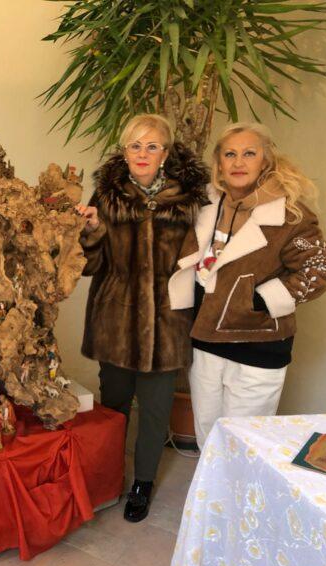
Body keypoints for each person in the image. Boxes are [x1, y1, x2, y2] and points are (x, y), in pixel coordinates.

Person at [77, 114, 208, 522]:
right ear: (124, 150)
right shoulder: (106, 196)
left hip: (168, 322)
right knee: (114, 406)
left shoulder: (191, 200)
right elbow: (89, 265)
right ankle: (108, 476)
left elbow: (204, 262)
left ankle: (143, 482)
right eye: (135, 145)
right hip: (115, 318)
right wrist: (92, 231)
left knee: (155, 409)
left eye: (152, 146)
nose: (143, 154)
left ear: (166, 153)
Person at [169, 123, 326, 447]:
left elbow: (318, 269)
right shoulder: (205, 206)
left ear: (265, 161)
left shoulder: (291, 215)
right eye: (230, 154)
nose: (238, 162)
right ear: (220, 163)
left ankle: (239, 500)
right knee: (208, 436)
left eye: (249, 153)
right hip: (205, 339)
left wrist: (260, 299)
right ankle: (211, 498)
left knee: (245, 443)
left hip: (258, 345)